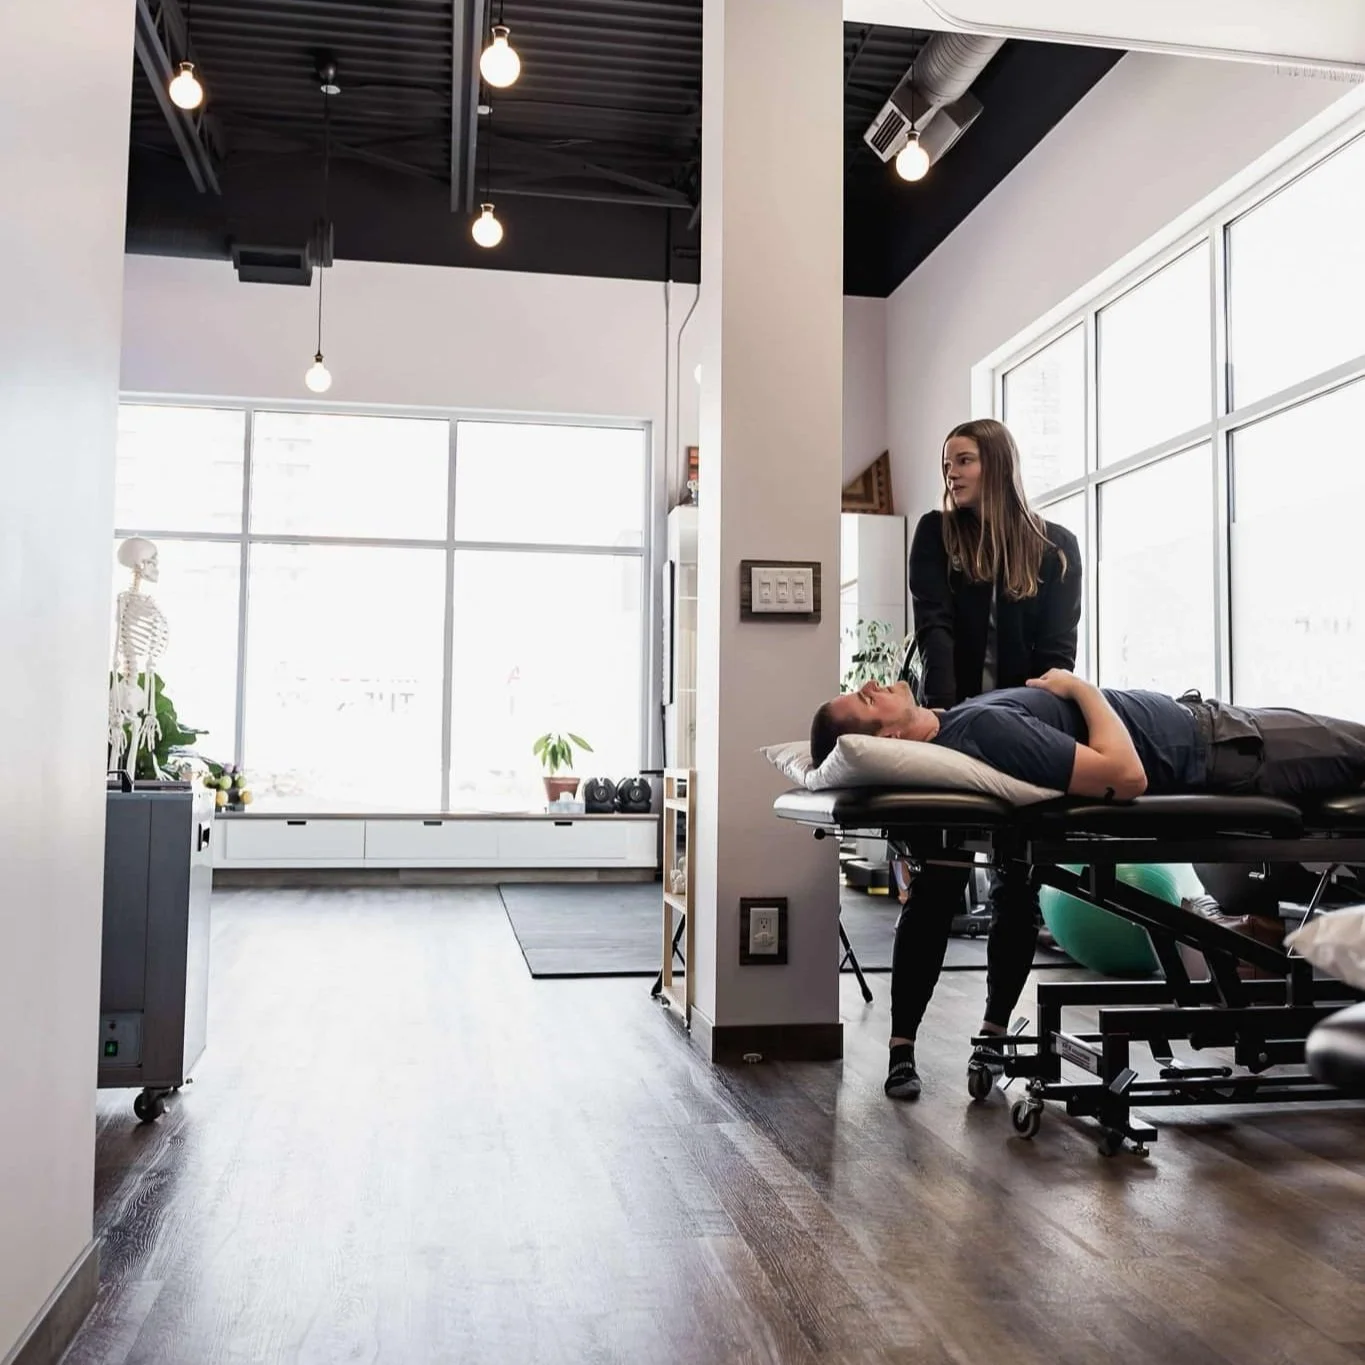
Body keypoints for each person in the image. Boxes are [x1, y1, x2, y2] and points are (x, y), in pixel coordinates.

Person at [881, 419, 1080, 1102]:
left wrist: (1025, 733)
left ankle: (992, 1039)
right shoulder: (936, 535)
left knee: (1017, 893)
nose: (951, 472)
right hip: (954, 733)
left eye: (962, 459)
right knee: (935, 885)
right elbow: (933, 625)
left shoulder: (1057, 549)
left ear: (995, 463)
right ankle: (902, 1047)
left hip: (1024, 740)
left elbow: (1057, 655)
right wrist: (945, 723)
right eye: (946, 461)